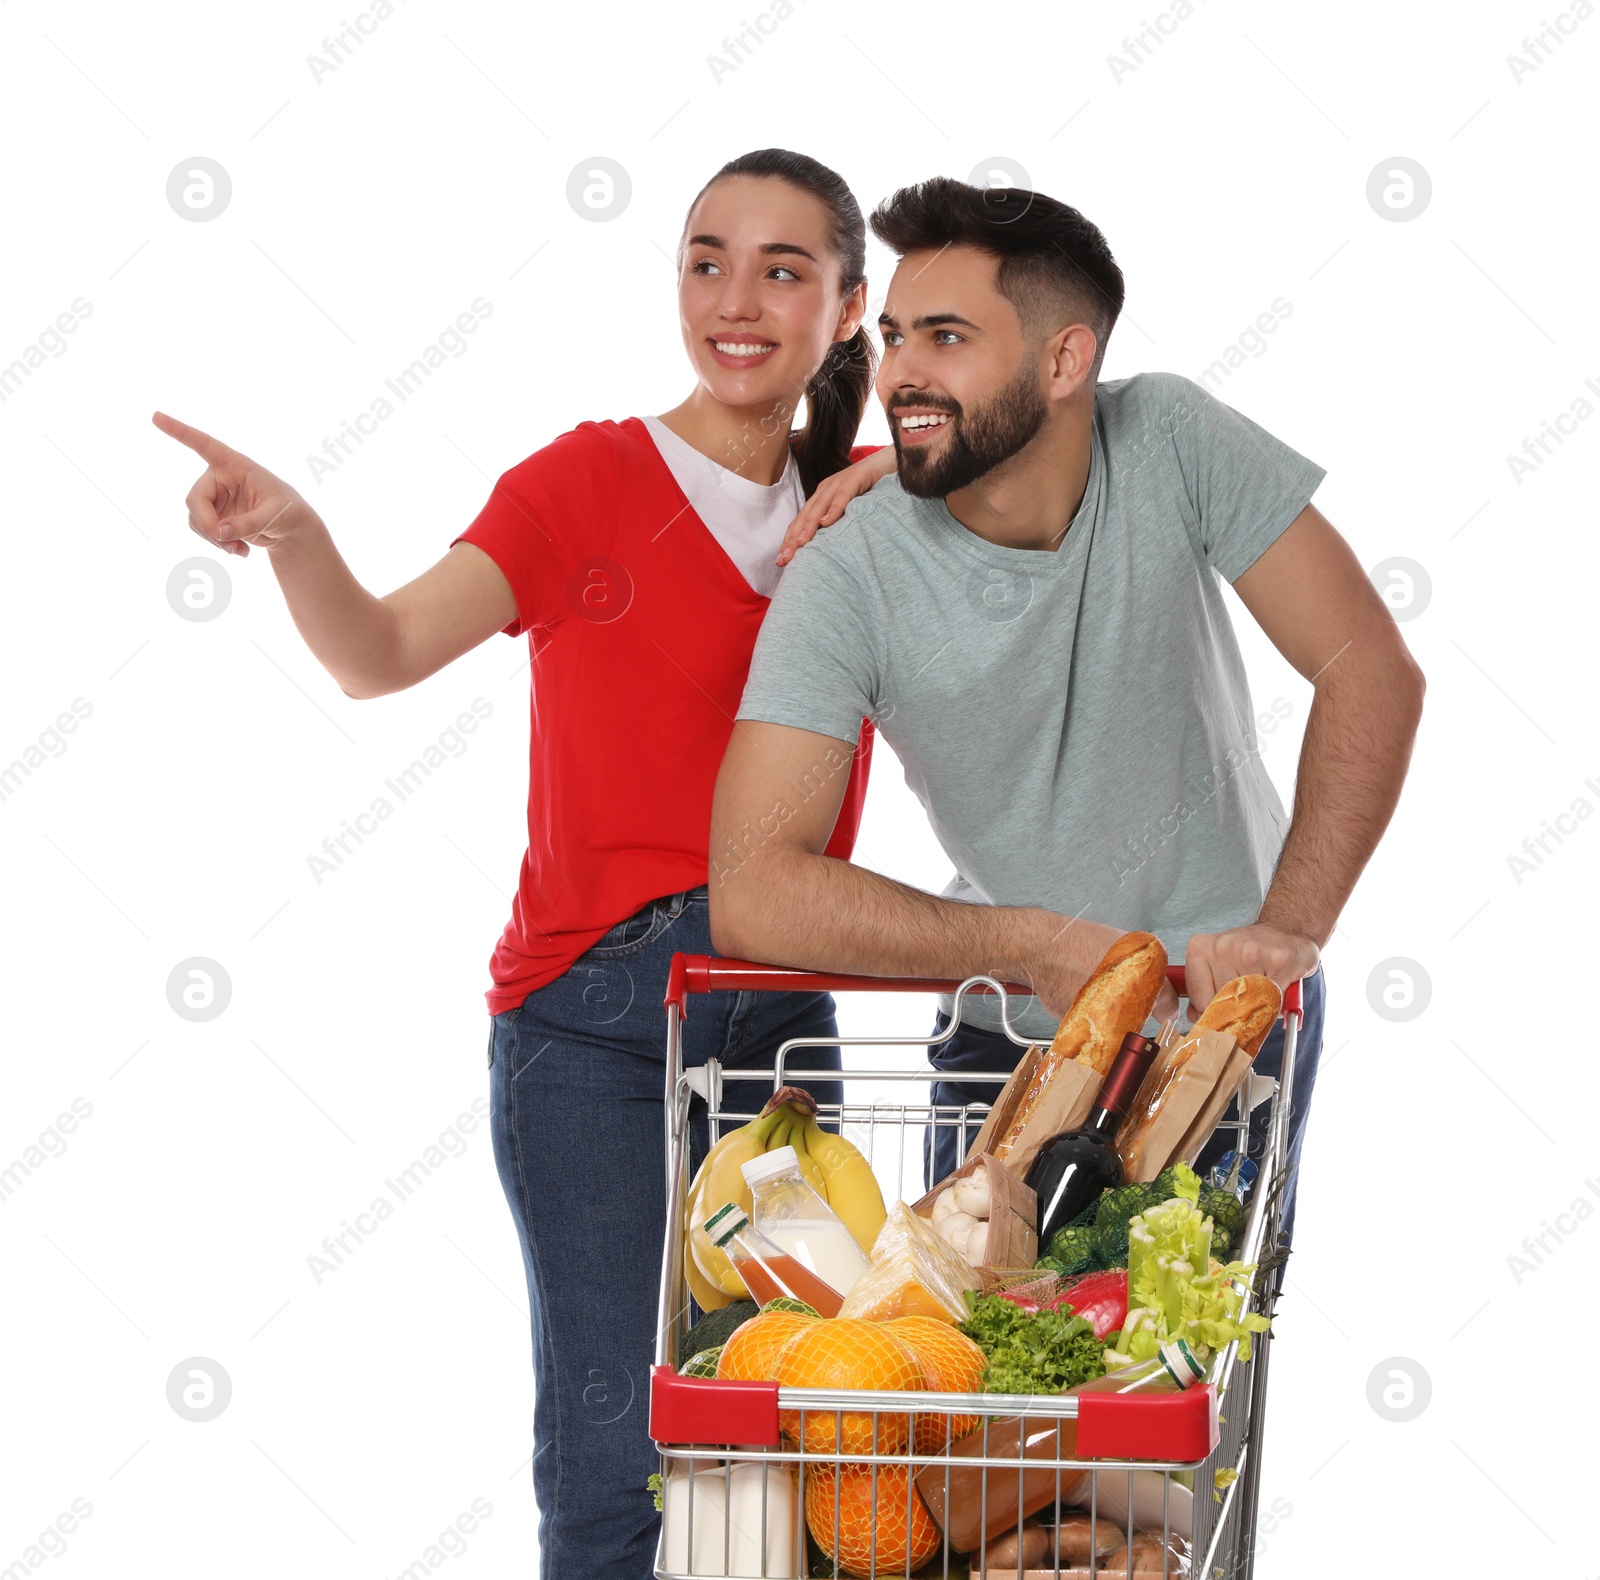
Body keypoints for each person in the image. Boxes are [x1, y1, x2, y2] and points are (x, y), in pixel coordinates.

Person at [154, 148, 897, 1580]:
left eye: (783, 271)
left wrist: (884, 495)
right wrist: (302, 535)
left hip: (784, 1015)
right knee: (623, 1459)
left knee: (772, 1435)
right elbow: (376, 653)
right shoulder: (587, 483)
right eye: (705, 261)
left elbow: (1038, 493)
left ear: (847, 306)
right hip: (595, 1028)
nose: (734, 301)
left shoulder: (868, 508)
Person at [709, 176, 1425, 1247]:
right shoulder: (846, 571)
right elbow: (752, 887)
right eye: (897, 334)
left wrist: (1284, 931)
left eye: (946, 337)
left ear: (1064, 359)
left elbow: (1368, 667)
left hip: (1222, 1028)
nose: (900, 369)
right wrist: (1032, 942)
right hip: (1009, 1037)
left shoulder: (1170, 436)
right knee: (976, 1402)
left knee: (1178, 1389)